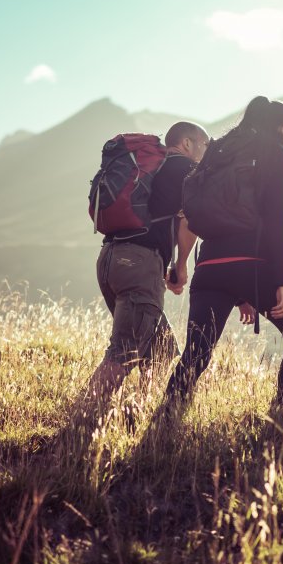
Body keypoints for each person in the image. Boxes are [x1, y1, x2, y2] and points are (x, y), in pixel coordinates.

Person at [163, 96, 283, 428]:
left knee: (196, 353)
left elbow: (196, 215)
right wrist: (281, 281)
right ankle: (280, 417)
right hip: (253, 264)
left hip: (209, 268)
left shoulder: (219, 152)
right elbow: (277, 221)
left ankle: (165, 420)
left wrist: (187, 264)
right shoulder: (275, 151)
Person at [84, 121, 209, 407]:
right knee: (124, 352)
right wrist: (180, 266)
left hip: (111, 258)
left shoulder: (153, 167)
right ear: (187, 144)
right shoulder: (182, 169)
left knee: (161, 348)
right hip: (140, 263)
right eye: (202, 145)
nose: (204, 153)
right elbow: (187, 220)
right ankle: (79, 419)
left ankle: (140, 412)